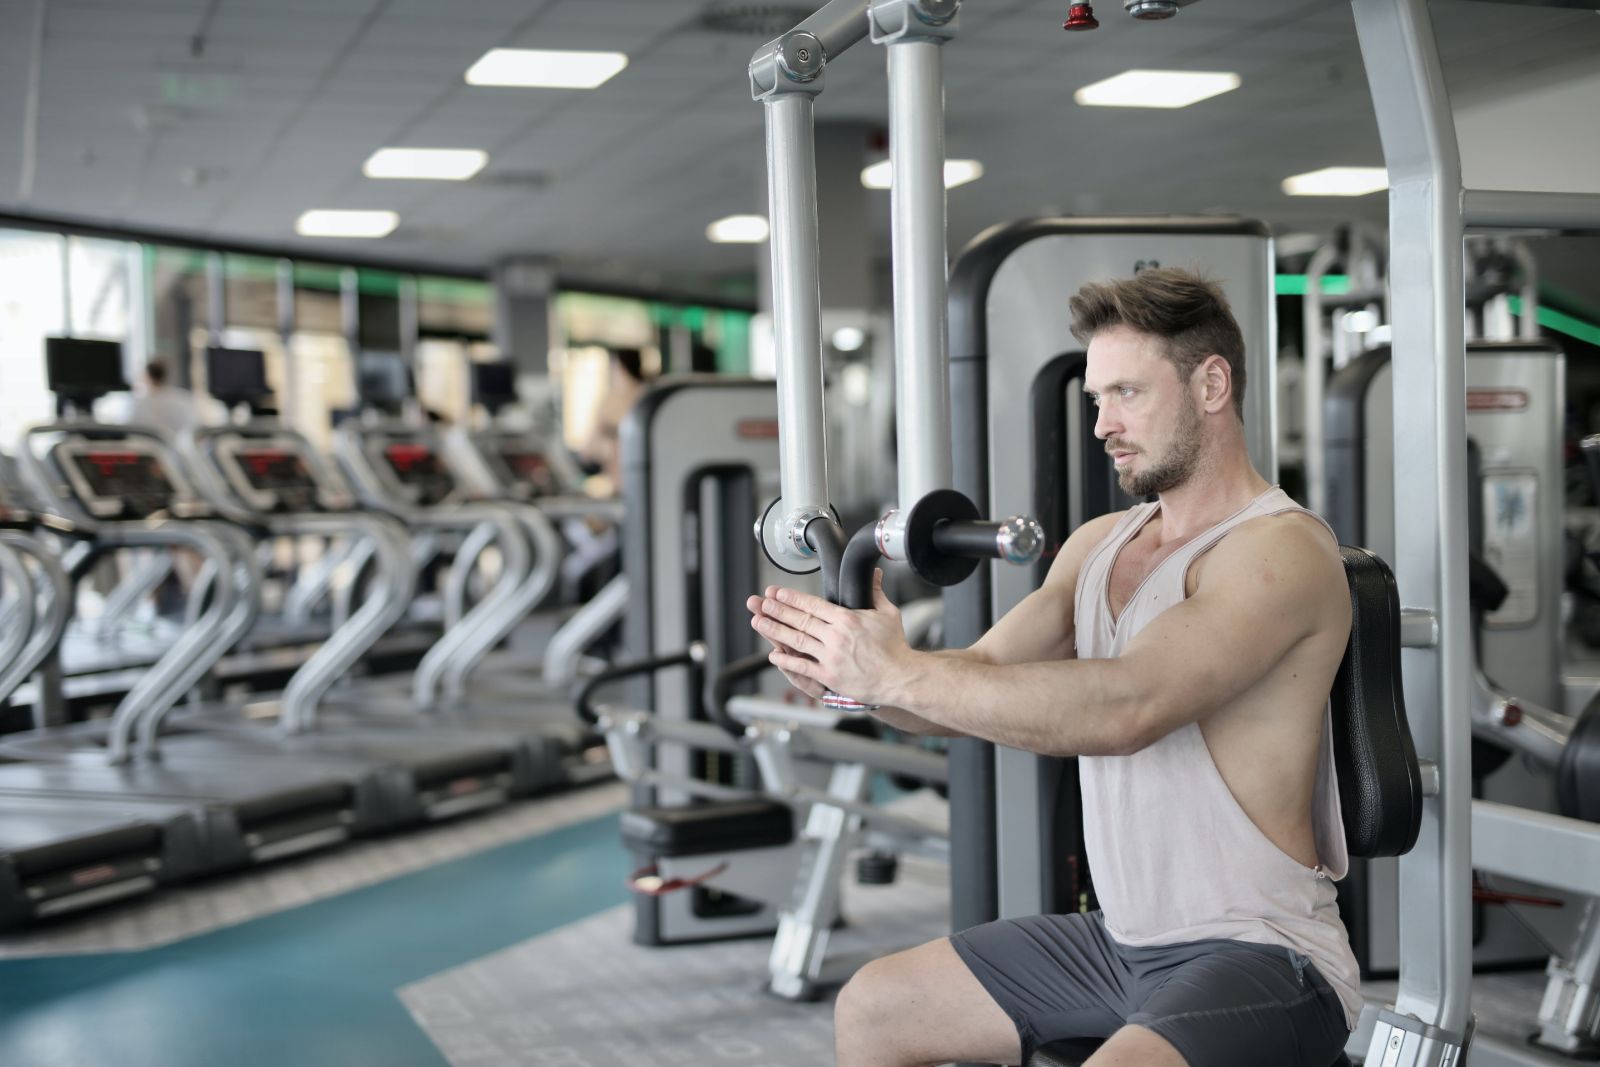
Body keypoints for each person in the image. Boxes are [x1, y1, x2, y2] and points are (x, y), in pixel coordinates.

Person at [747, 268, 1357, 1067]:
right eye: (1095, 397)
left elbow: (1127, 708)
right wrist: (858, 677)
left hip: (1265, 952)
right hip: (1119, 945)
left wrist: (895, 674)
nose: (1103, 423)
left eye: (1127, 393)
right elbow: (966, 684)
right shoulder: (1098, 544)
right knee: (876, 1008)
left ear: (1212, 384)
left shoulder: (1280, 550)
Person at [127, 357, 208, 436]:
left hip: (150, 448)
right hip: (178, 448)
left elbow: (133, 431)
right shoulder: (183, 398)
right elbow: (196, 427)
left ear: (147, 376)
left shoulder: (140, 404)